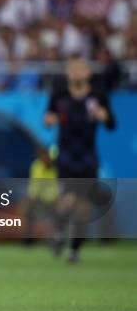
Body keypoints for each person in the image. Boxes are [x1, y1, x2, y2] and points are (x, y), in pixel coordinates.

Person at [44, 56, 116, 263]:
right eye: (72, 69)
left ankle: (75, 249)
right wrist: (49, 119)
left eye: (80, 69)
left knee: (84, 206)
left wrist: (105, 116)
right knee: (66, 200)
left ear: (87, 73)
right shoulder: (60, 94)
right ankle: (59, 230)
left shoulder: (97, 95)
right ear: (68, 73)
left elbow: (112, 124)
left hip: (87, 156)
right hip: (66, 155)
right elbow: (47, 118)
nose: (76, 72)